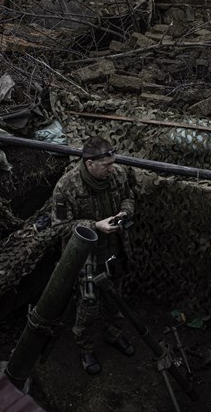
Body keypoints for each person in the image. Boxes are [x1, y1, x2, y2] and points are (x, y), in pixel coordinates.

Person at [52, 136, 136, 375]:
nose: (111, 169)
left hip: (114, 252)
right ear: (89, 163)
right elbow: (59, 227)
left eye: (112, 163)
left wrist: (124, 212)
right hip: (85, 258)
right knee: (88, 305)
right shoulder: (67, 186)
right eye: (106, 165)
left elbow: (129, 198)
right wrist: (95, 226)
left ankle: (113, 333)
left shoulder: (117, 175)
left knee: (114, 298)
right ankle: (85, 347)